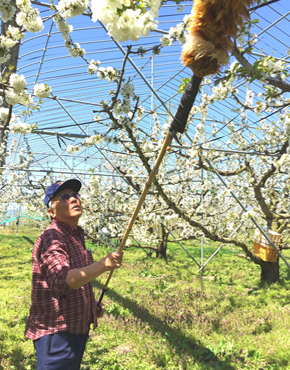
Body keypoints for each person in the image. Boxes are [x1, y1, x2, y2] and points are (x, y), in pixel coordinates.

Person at [25, 179, 123, 370]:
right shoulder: (52, 236)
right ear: (51, 211)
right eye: (64, 196)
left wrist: (90, 307)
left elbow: (78, 278)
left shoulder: (75, 234)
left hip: (76, 328)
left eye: (75, 195)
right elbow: (64, 280)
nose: (73, 199)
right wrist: (103, 264)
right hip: (58, 333)